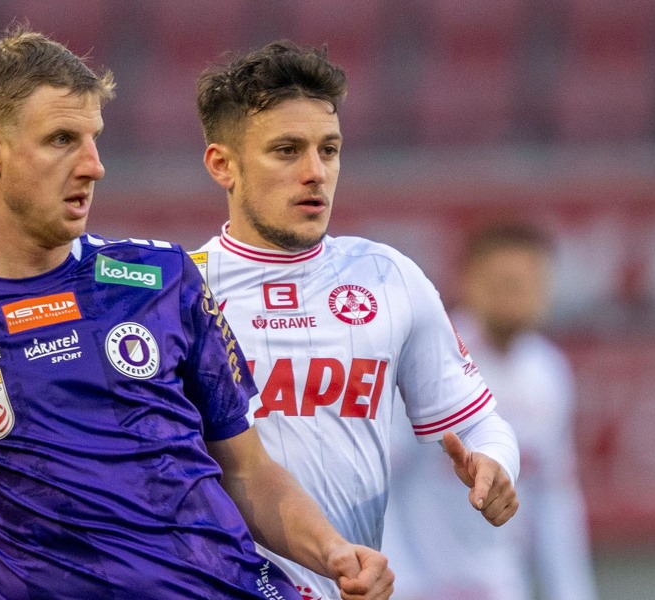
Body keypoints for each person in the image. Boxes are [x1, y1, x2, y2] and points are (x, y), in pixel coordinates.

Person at [0, 26, 394, 600]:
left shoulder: (163, 278)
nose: (93, 165)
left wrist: (334, 553)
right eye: (62, 140)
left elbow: (248, 471)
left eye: (94, 139)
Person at [191, 40, 520, 600]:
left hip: (356, 586)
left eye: (329, 149)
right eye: (287, 151)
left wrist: (496, 460)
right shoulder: (182, 292)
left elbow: (479, 423)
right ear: (223, 164)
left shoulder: (388, 277)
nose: (315, 173)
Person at [382, 223, 599, 600]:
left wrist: (571, 592)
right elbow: (381, 479)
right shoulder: (430, 357)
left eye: (527, 284)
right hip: (422, 585)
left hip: (502, 586)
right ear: (469, 281)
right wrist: (398, 582)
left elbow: (553, 499)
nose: (515, 297)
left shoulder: (549, 372)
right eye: (503, 283)